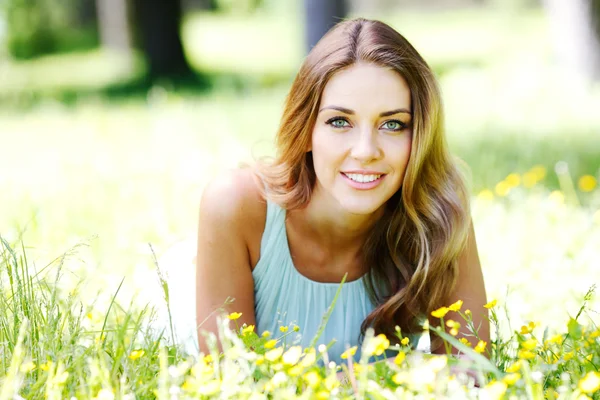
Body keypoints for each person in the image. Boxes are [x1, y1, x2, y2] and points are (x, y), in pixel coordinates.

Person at [194, 17, 489, 365]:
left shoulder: (438, 210)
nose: (365, 151)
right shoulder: (237, 205)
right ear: (305, 130)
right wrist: (399, 371)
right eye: (339, 122)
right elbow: (229, 381)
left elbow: (471, 370)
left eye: (393, 124)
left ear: (419, 136)